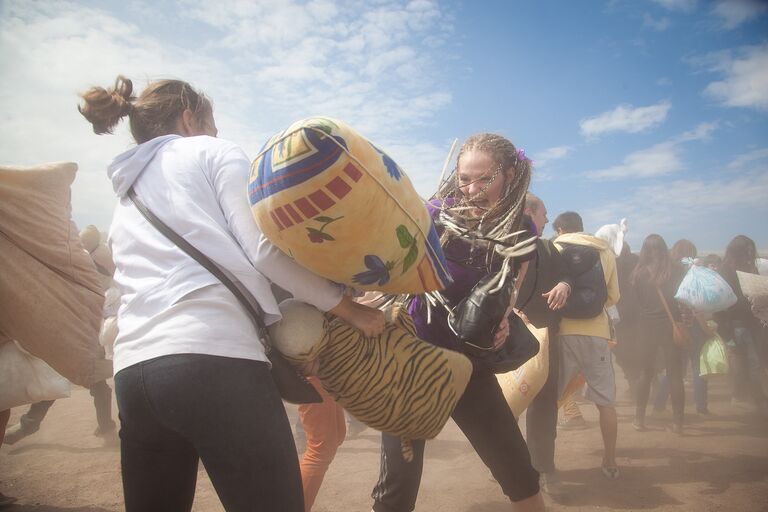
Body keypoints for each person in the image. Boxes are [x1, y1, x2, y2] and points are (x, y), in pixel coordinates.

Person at [78, 75, 384, 512]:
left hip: (133, 373)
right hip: (214, 364)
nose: (218, 132)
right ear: (188, 119)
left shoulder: (125, 194)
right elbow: (262, 252)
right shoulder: (213, 152)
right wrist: (349, 309)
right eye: (212, 122)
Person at [370, 134, 544, 512]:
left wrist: (502, 322)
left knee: (518, 472)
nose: (472, 189)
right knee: (396, 491)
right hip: (412, 362)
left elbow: (508, 294)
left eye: (484, 179)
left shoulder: (522, 233)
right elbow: (393, 267)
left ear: (510, 175)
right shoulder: (433, 213)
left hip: (470, 367)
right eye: (465, 178)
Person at [552, 211, 620, 478]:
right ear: (581, 227)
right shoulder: (605, 251)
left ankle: (545, 464)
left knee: (551, 401)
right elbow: (613, 296)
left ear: (560, 229)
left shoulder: (555, 247)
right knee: (606, 402)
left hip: (562, 332)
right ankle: (610, 461)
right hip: (597, 332)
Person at [517, 193, 572, 495]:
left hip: (545, 336)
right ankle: (510, 465)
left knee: (544, 404)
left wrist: (565, 284)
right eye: (543, 213)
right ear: (528, 212)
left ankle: (543, 468)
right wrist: (508, 311)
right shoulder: (499, 244)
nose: (548, 220)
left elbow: (566, 275)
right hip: (505, 337)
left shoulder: (549, 247)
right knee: (504, 404)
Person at [629, 234, 687, 434]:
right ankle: (678, 424)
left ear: (644, 250)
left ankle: (639, 420)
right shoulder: (677, 270)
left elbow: (636, 303)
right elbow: (684, 299)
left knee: (646, 373)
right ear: (664, 248)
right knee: (675, 375)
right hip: (672, 326)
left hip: (647, 327)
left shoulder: (638, 273)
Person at [654, 239, 710, 415]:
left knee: (673, 368)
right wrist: (706, 327)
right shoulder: (694, 273)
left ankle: (659, 404)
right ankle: (701, 406)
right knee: (697, 367)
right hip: (693, 326)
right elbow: (698, 305)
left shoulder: (668, 273)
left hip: (675, 326)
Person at [714, 235, 768, 416]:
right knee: (747, 362)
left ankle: (747, 397)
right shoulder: (728, 271)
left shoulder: (738, 269)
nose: (750, 254)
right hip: (738, 323)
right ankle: (753, 398)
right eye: (747, 251)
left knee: (749, 362)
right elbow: (722, 303)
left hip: (751, 322)